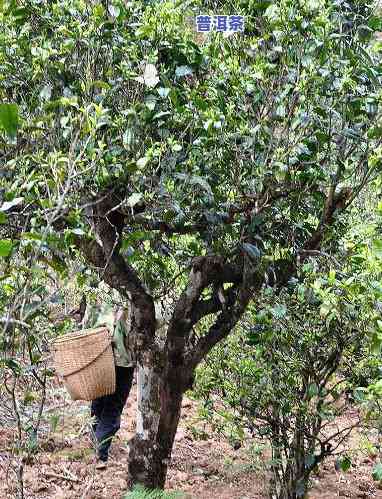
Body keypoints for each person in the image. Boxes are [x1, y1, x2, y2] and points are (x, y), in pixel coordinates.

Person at [81, 301, 136, 468]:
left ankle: (96, 441)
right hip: (121, 361)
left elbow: (87, 323)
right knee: (113, 406)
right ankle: (100, 452)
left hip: (98, 355)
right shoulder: (132, 296)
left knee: (100, 399)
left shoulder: (99, 294)